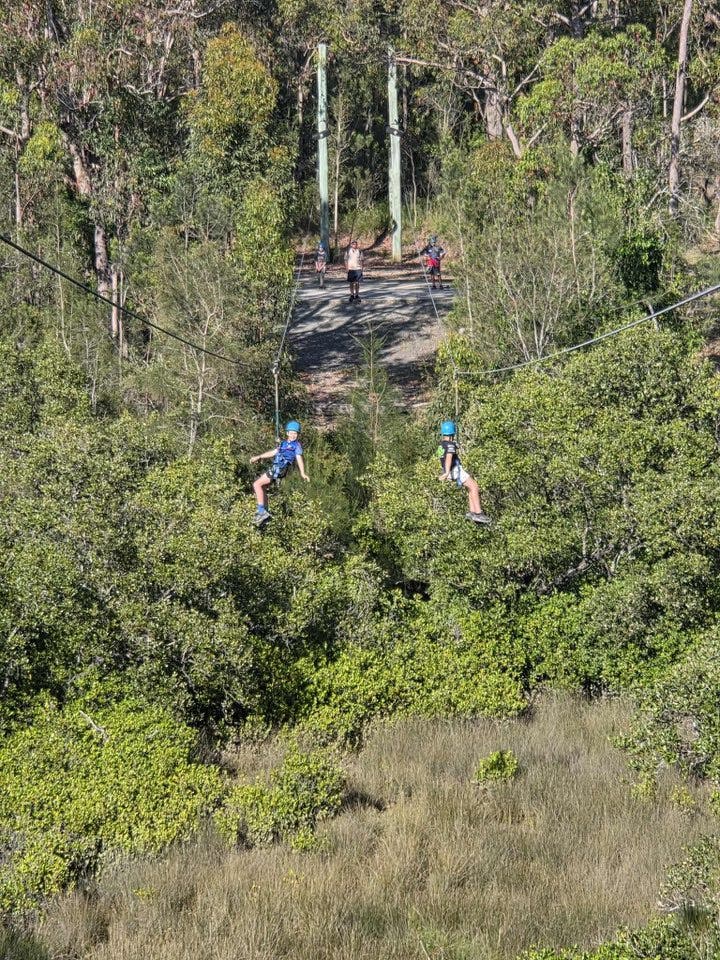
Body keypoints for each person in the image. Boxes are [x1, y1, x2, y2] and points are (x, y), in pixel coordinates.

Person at [250, 420, 309, 525]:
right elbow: (273, 452)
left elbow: (299, 458)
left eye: (295, 433)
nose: (293, 435)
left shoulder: (296, 445)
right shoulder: (283, 443)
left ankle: (261, 511)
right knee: (262, 486)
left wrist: (302, 473)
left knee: (256, 484)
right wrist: (259, 457)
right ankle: (265, 512)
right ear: (287, 433)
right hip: (276, 468)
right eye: (291, 433)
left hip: (279, 469)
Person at [437, 420, 491, 525]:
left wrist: (446, 471)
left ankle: (472, 512)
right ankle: (478, 513)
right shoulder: (450, 445)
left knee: (470, 487)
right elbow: (449, 457)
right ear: (453, 433)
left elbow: (444, 456)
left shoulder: (442, 445)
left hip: (451, 470)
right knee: (474, 486)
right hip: (454, 469)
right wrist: (447, 472)